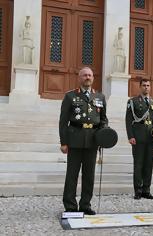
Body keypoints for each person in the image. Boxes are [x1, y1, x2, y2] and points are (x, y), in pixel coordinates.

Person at [59, 67, 108, 215]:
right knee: (72, 174)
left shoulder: (100, 97)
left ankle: (85, 204)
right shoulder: (70, 96)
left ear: (93, 78)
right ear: (79, 78)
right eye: (85, 75)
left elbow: (103, 119)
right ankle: (70, 204)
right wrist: (63, 142)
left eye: (90, 75)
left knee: (89, 175)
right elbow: (63, 122)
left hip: (92, 141)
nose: (87, 77)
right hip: (74, 139)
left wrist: (104, 133)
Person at [125, 78, 153, 200]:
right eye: (144, 85)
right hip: (138, 137)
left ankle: (146, 190)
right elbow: (128, 120)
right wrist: (130, 136)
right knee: (138, 165)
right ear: (140, 87)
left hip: (151, 137)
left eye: (148, 85)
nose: (146, 87)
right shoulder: (133, 101)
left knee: (149, 165)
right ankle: (138, 190)